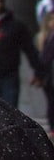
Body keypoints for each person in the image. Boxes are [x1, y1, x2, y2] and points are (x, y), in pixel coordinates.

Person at [39, 12, 54, 140]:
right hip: (49, 76)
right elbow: (44, 59)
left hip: (49, 76)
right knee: (50, 102)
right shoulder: (46, 37)